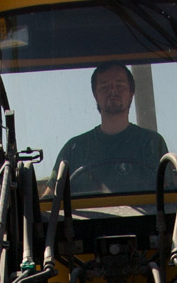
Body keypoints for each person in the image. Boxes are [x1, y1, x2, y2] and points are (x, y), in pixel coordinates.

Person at [52, 62, 169, 196]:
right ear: (95, 95)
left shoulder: (152, 143)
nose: (113, 91)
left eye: (120, 85)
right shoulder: (74, 149)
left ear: (132, 93)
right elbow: (51, 202)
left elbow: (168, 201)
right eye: (105, 86)